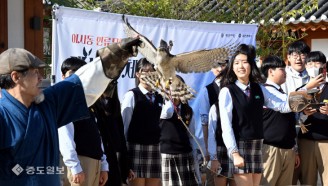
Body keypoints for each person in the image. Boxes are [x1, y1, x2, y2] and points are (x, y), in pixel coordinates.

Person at [0, 37, 140, 185]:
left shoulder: (48, 103)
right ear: (16, 77)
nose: (41, 78)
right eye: (34, 72)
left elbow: (81, 83)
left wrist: (117, 53)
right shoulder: (3, 116)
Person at [218, 44, 291, 186]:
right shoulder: (227, 91)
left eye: (245, 62)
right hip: (240, 145)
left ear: (251, 65)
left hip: (257, 144)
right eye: (237, 63)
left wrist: (301, 103)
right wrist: (234, 153)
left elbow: (280, 105)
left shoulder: (259, 88)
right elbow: (226, 126)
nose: (241, 66)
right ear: (232, 67)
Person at [58, 57, 108, 186]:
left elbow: (97, 135)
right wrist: (75, 167)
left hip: (94, 162)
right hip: (79, 163)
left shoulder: (87, 101)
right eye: (72, 74)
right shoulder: (64, 102)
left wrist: (103, 165)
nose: (77, 78)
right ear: (63, 76)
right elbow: (65, 138)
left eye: (81, 73)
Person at [121, 58, 163, 186]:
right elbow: (124, 127)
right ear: (138, 74)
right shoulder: (132, 95)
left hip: (156, 148)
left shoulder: (160, 97)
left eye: (153, 72)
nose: (150, 75)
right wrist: (125, 157)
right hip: (135, 149)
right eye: (146, 71)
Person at [259, 56, 299, 186]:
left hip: (288, 148)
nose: (285, 72)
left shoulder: (280, 91)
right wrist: (308, 88)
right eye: (282, 69)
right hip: (271, 149)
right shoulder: (265, 90)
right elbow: (284, 106)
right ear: (271, 71)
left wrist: (294, 149)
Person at [91, 80, 135, 186]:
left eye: (113, 84)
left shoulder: (115, 104)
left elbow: (121, 136)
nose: (109, 87)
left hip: (115, 157)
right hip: (101, 155)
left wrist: (126, 166)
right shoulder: (94, 105)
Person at [159, 75, 199, 186]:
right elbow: (167, 112)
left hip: (185, 155)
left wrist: (194, 157)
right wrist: (168, 97)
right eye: (172, 85)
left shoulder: (188, 110)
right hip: (166, 155)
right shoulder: (162, 106)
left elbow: (191, 135)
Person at [298, 51, 328, 185]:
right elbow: (292, 117)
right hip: (306, 141)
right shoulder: (301, 91)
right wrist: (304, 114)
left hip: (326, 142)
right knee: (307, 180)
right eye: (309, 64)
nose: (313, 67)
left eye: (317, 63)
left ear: (324, 67)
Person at [199, 60, 228, 186]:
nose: (220, 68)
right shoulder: (208, 90)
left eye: (223, 64)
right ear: (211, 68)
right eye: (216, 65)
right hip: (215, 144)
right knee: (213, 181)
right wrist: (207, 150)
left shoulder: (234, 87)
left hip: (236, 144)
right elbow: (205, 123)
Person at [208, 100, 236, 186]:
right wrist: (214, 158)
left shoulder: (238, 104)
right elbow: (211, 134)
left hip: (237, 150)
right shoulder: (215, 107)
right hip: (220, 151)